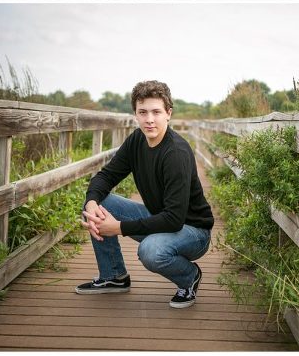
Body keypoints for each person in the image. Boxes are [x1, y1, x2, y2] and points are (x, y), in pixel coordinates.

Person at [75, 80, 214, 309]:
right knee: (100, 203)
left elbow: (174, 219)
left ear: (168, 113)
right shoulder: (137, 140)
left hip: (193, 231)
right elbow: (106, 176)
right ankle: (114, 276)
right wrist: (91, 203)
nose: (150, 119)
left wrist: (118, 227)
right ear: (135, 115)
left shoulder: (175, 153)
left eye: (156, 112)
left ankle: (189, 277)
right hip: (162, 217)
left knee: (150, 251)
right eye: (143, 112)